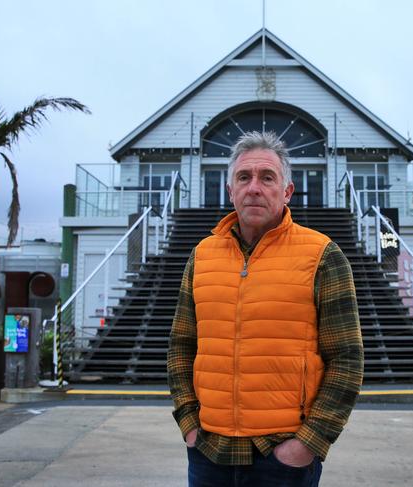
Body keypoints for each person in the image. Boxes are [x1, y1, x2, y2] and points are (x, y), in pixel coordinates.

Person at [167, 131, 364, 487]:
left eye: (267, 177)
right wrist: (189, 425)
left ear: (287, 191)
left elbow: (346, 358)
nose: (254, 187)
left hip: (282, 457)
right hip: (209, 452)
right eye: (244, 177)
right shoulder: (201, 256)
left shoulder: (322, 256)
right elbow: (181, 347)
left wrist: (308, 444)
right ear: (230, 191)